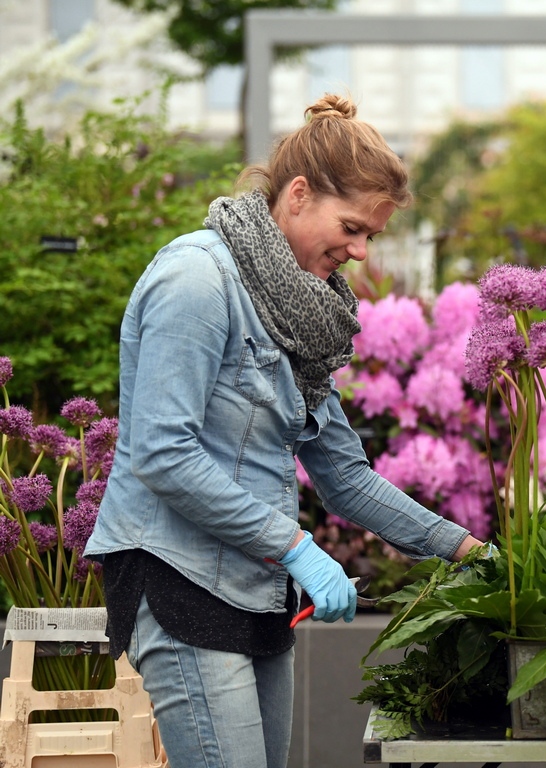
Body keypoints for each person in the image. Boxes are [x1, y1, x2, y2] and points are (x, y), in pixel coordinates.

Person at [84, 93, 485, 768]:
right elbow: (162, 452)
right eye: (352, 227)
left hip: (254, 586)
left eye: (372, 237)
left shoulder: (300, 310)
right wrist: (295, 546)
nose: (359, 251)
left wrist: (465, 550)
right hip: (177, 575)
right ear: (298, 194)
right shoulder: (197, 279)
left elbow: (346, 477)